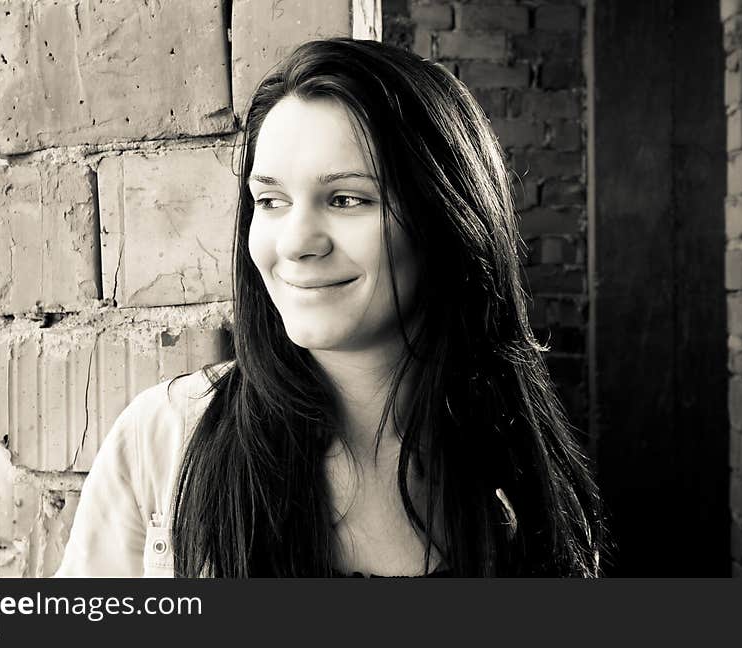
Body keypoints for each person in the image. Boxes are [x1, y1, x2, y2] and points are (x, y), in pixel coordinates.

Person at [56, 38, 605, 578]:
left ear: (446, 221)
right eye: (271, 201)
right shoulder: (164, 440)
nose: (296, 243)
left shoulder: (514, 462)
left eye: (347, 199)